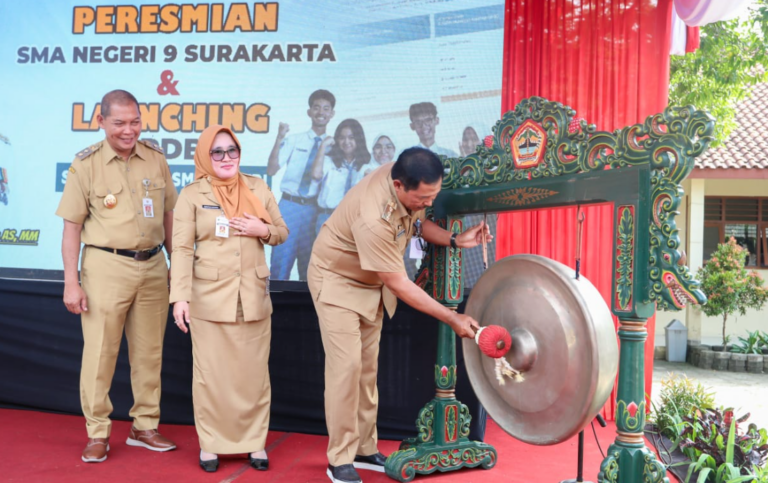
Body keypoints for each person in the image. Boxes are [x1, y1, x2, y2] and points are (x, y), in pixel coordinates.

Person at [308, 147, 491, 483]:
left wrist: (454, 239)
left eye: (434, 195)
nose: (429, 203)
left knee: (367, 369)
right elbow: (400, 284)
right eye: (423, 197)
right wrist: (453, 319)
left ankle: (364, 448)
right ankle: (340, 458)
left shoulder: (407, 181)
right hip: (337, 280)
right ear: (398, 185)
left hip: (369, 282)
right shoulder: (373, 216)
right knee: (346, 369)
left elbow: (417, 224)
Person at [56, 89, 178, 463]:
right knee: (100, 354)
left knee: (149, 353)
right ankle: (97, 432)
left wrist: (180, 271)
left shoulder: (155, 158)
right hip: (105, 266)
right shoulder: (86, 164)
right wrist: (71, 282)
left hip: (155, 266)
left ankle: (145, 426)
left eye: (135, 122)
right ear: (101, 121)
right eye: (119, 123)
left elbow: (170, 217)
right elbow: (72, 228)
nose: (129, 131)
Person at [170, 124, 288, 472]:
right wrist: (179, 297)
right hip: (208, 300)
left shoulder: (257, 187)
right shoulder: (192, 194)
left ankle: (254, 444)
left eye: (231, 150)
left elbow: (281, 232)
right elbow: (180, 248)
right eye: (217, 151)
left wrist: (261, 230)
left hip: (252, 298)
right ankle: (211, 445)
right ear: (206, 156)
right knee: (211, 376)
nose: (225, 157)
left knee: (253, 376)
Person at [267, 89, 335, 280]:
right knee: (280, 266)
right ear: (309, 112)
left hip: (315, 211)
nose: (321, 112)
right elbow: (271, 170)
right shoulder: (294, 140)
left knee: (310, 269)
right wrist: (279, 138)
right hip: (289, 207)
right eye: (316, 108)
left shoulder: (334, 146)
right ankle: (276, 309)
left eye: (326, 108)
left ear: (332, 114)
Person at [457, 122, 498, 290]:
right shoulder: (458, 167)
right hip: (463, 227)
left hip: (485, 223)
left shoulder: (492, 166)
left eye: (473, 138)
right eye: (465, 139)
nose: (468, 143)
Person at [312, 119, 371, 234]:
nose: (346, 141)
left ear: (359, 139)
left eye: (351, 137)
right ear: (336, 140)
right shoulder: (329, 161)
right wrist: (323, 146)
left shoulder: (366, 164)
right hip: (328, 217)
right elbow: (315, 175)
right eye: (342, 138)